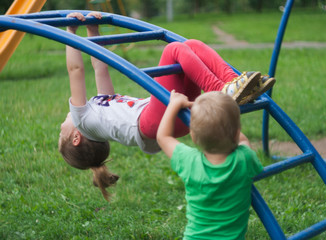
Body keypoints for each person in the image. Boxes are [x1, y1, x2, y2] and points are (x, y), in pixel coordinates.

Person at [58, 11, 274, 201]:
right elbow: (75, 70)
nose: (62, 123)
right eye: (61, 131)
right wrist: (70, 32)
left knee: (192, 45)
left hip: (171, 116)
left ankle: (232, 83)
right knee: (173, 50)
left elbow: (100, 67)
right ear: (76, 138)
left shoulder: (99, 111)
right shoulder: (83, 119)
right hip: (154, 121)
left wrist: (92, 30)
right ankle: (221, 89)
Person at [156, 90, 264, 239]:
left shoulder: (190, 162)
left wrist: (174, 104)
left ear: (193, 136)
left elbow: (163, 137)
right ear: (236, 133)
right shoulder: (244, 159)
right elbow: (244, 141)